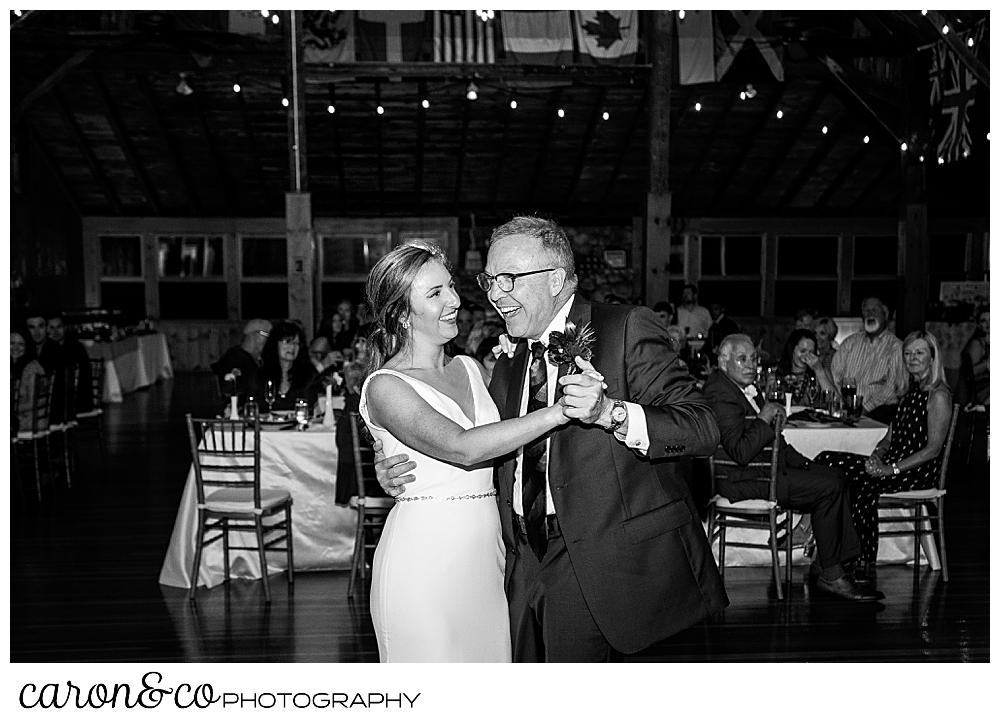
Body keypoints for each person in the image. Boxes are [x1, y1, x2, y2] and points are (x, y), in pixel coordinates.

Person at [377, 216, 727, 662]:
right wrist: (390, 453)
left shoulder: (624, 328)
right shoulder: (507, 356)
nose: (493, 295)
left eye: (508, 279)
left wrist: (610, 412)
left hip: (602, 561)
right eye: (489, 280)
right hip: (516, 561)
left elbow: (703, 427)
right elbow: (468, 435)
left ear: (557, 279)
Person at [359, 241, 589, 663]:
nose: (455, 301)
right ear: (400, 314)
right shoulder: (385, 386)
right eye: (435, 294)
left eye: (450, 287)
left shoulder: (469, 367)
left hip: (488, 560)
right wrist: (561, 411)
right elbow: (462, 448)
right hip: (424, 562)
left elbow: (505, 435)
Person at [702, 334, 880, 602]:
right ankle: (832, 574)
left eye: (754, 359)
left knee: (835, 475)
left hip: (760, 470)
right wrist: (764, 418)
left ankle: (829, 564)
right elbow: (741, 452)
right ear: (723, 362)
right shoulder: (720, 393)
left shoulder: (741, 387)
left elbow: (776, 442)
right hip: (741, 478)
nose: (751, 365)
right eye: (742, 359)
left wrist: (807, 465)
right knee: (829, 487)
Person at [815, 331, 954, 584]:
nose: (912, 359)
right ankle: (835, 550)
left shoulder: (938, 395)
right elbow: (889, 438)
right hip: (892, 463)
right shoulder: (911, 392)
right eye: (908, 353)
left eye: (919, 353)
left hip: (915, 471)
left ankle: (861, 562)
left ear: (933, 358)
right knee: (827, 459)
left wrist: (891, 470)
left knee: (861, 484)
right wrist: (876, 456)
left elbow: (933, 450)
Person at [831, 297, 908, 424]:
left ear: (886, 313)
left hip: (879, 412)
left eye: (874, 310)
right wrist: (844, 404)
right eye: (866, 311)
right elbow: (835, 374)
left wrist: (862, 409)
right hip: (845, 408)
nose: (869, 314)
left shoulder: (896, 347)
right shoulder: (850, 343)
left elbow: (890, 389)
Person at [41, 313, 94, 422]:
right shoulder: (47, 348)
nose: (56, 331)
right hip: (59, 398)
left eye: (59, 327)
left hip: (76, 400)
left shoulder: (75, 347)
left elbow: (81, 377)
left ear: (64, 328)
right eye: (52, 327)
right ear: (47, 329)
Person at [256, 320, 317, 412]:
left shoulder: (308, 375)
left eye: (296, 343)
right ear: (275, 343)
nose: (292, 347)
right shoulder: (260, 376)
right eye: (287, 341)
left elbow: (311, 406)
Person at [212, 318, 271, 406]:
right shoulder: (238, 359)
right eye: (267, 335)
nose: (269, 340)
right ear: (254, 336)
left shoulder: (254, 360)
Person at [775, 329, 837, 405]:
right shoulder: (777, 376)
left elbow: (837, 402)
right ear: (791, 350)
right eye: (802, 351)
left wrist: (819, 371)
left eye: (811, 352)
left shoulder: (822, 374)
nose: (806, 356)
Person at [11, 330, 46, 433]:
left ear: (27, 346)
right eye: (11, 343)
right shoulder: (14, 368)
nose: (15, 348)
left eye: (21, 344)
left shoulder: (31, 368)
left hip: (32, 420)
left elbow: (32, 403)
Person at [958, 305, 989, 407]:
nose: (988, 324)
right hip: (979, 391)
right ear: (979, 325)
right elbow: (972, 373)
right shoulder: (977, 343)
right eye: (983, 321)